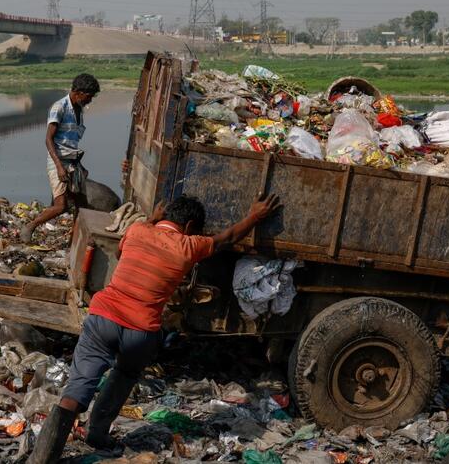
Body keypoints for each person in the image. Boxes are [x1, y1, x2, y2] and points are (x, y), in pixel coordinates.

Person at [28, 193, 282, 463]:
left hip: (104, 318)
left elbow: (118, 251)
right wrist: (255, 215)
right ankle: (97, 434)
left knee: (77, 389)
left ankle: (42, 458)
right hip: (141, 331)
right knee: (124, 375)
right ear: (189, 226)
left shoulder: (138, 230)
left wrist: (151, 219)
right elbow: (228, 238)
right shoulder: (189, 245)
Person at [19, 73, 100, 243]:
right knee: (61, 206)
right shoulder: (60, 107)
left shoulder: (79, 110)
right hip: (58, 161)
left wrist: (81, 166)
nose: (90, 101)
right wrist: (59, 167)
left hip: (73, 161)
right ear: (78, 92)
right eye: (89, 97)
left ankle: (76, 239)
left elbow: (70, 143)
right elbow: (49, 139)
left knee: (82, 204)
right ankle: (30, 226)